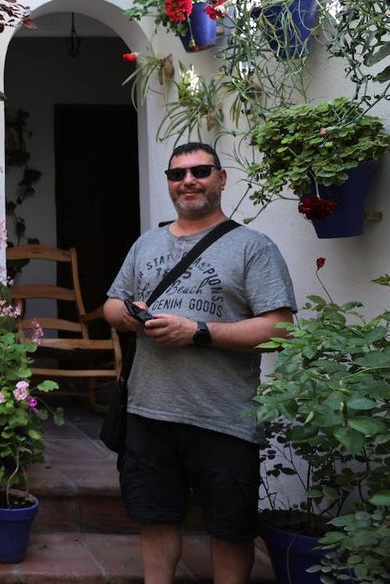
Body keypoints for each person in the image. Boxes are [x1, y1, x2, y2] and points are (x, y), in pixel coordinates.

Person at [101, 142, 296, 584]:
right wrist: (130, 316)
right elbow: (111, 306)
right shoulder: (146, 242)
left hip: (223, 416)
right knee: (155, 517)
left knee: (230, 528)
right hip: (148, 410)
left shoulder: (253, 247)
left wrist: (199, 332)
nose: (188, 181)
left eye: (200, 171)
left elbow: (281, 330)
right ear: (169, 184)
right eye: (177, 174)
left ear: (221, 178)